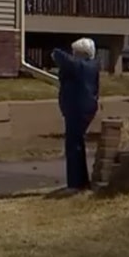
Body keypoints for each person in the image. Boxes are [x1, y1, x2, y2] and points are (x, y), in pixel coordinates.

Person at [52, 37, 101, 191]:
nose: (73, 55)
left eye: (75, 52)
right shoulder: (91, 66)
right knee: (77, 143)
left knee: (73, 145)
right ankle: (81, 181)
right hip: (84, 107)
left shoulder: (80, 66)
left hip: (78, 108)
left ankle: (75, 183)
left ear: (81, 53)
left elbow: (58, 55)